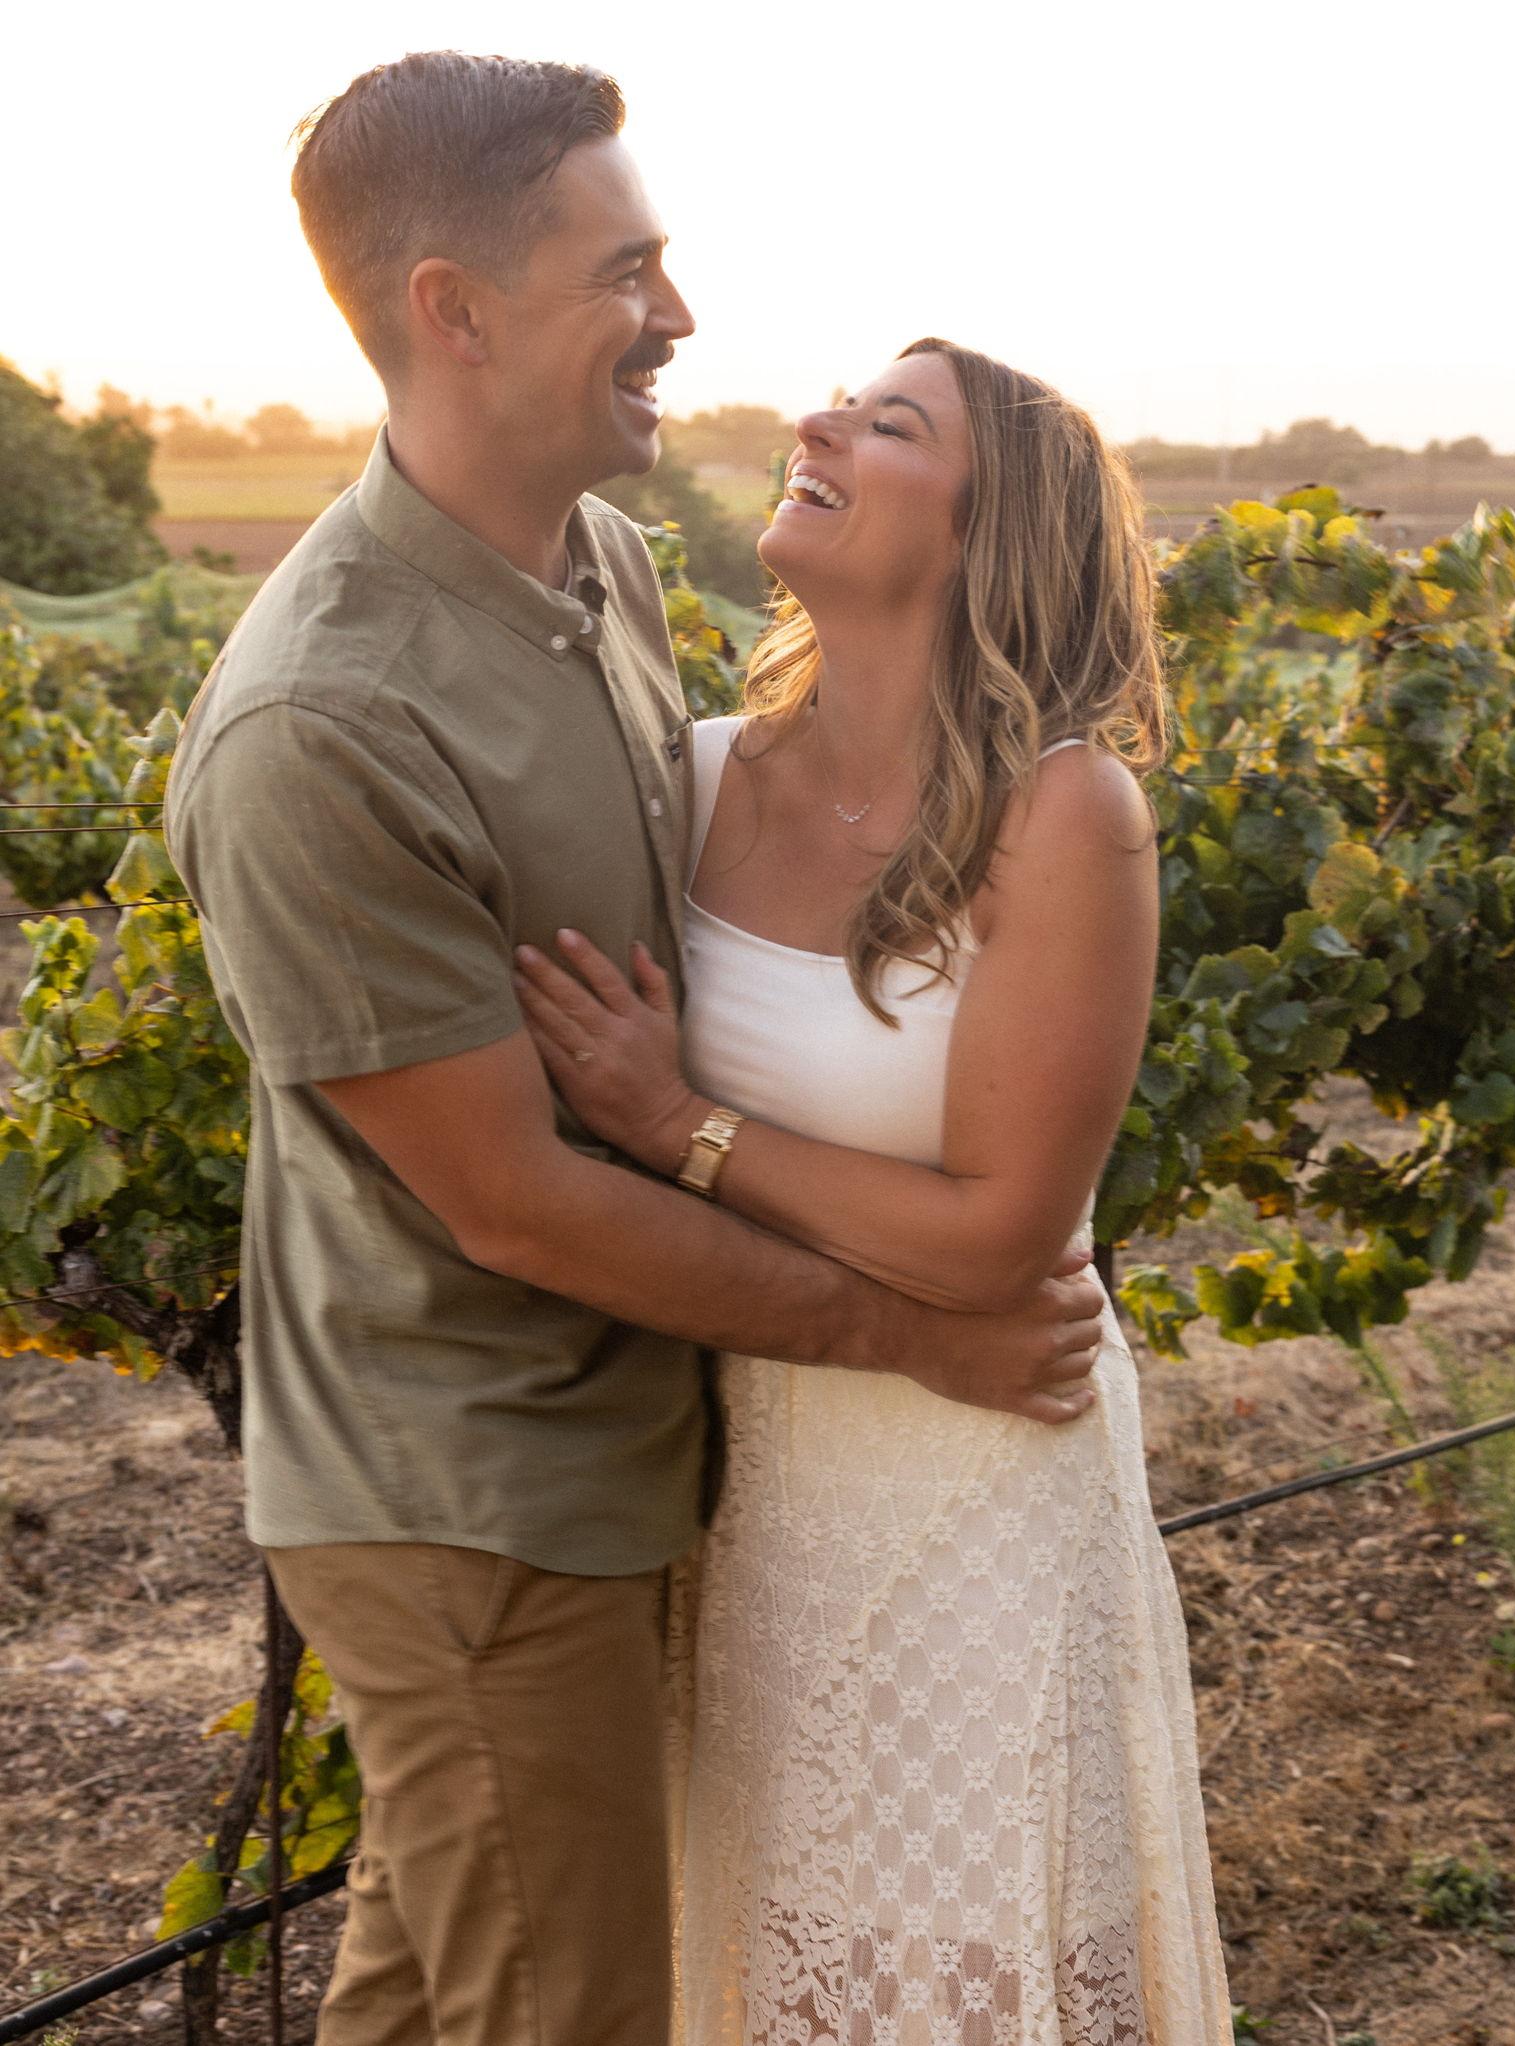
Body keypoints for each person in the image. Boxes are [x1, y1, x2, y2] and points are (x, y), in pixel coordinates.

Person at [164, 56, 1104, 2046]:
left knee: (446, 1990)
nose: (681, 321)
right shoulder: (318, 726)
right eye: (632, 270)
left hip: (632, 1459)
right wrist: (915, 1335)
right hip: (472, 1493)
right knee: (567, 2012)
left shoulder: (592, 573)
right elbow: (511, 1202)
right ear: (457, 308)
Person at [515, 337, 1235, 2039]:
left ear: (989, 535)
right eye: (839, 400)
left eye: (888, 421)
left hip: (975, 1470)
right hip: (746, 1468)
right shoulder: (686, 780)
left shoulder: (1067, 816)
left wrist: (678, 1118)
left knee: (956, 1969)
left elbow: (997, 1237)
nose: (815, 421)